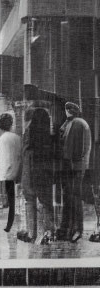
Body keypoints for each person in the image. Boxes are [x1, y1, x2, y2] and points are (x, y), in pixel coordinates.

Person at [19, 106, 57, 244]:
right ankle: (48, 232)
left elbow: (25, 155)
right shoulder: (49, 137)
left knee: (30, 201)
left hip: (29, 172)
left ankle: (31, 233)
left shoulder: (28, 133)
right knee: (46, 203)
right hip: (44, 173)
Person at [57, 101, 91, 243]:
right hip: (76, 166)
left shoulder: (76, 123)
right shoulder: (76, 122)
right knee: (73, 197)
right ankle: (71, 228)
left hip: (73, 166)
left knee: (73, 198)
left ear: (68, 111)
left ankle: (75, 229)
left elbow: (73, 148)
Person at [0, 113, 22, 233]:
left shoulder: (0, 140)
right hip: (18, 172)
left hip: (6, 174)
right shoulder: (17, 138)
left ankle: (9, 224)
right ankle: (18, 224)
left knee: (11, 201)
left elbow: (0, 160)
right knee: (20, 199)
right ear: (11, 124)